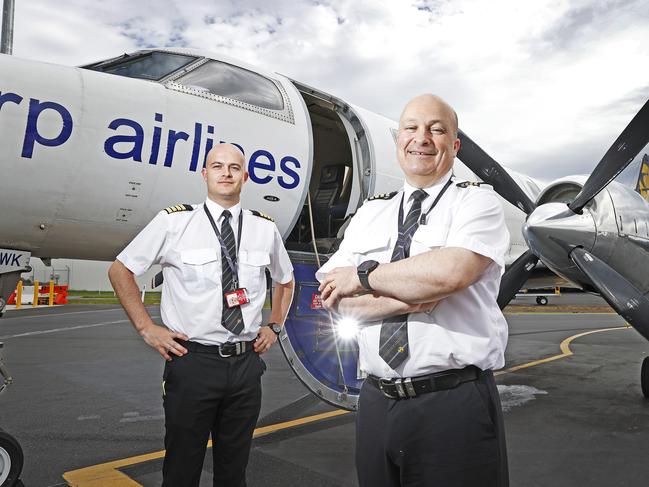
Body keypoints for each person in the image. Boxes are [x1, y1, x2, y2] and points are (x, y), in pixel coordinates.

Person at [317, 94, 510, 487]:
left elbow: (452, 272)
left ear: (454, 146)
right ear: (398, 141)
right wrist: (415, 292)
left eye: (437, 130)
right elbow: (335, 299)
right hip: (374, 403)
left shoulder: (478, 202)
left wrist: (364, 276)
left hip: (452, 404)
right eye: (412, 128)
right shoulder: (371, 212)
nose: (422, 138)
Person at [108, 143, 295, 487]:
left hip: (245, 364)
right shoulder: (174, 222)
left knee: (234, 470)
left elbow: (286, 280)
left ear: (245, 176)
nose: (226, 173)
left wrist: (275, 325)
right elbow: (121, 270)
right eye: (218, 166)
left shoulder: (264, 228)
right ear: (205, 174)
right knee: (181, 468)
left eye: (235, 168)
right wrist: (146, 328)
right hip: (193, 362)